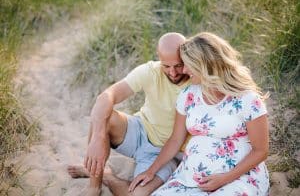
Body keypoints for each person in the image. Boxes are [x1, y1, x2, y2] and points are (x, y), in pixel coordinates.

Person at [129, 32, 270, 196]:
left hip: (237, 179)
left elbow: (261, 151)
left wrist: (224, 179)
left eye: (189, 65)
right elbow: (175, 139)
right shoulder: (188, 95)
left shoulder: (247, 99)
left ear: (205, 65)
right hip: (189, 179)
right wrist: (151, 171)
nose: (185, 70)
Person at [67, 32, 190, 196]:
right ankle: (94, 186)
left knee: (137, 194)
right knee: (104, 118)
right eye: (166, 66)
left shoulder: (196, 80)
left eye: (178, 65)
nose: (173, 73)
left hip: (165, 153)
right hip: (139, 130)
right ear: (159, 59)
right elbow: (106, 96)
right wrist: (97, 137)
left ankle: (108, 176)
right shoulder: (150, 71)